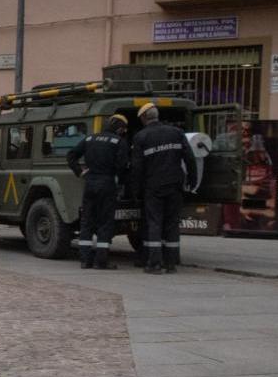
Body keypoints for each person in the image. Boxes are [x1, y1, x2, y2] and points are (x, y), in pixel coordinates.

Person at [131, 102, 196, 275]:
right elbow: (190, 158)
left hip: (153, 187)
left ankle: (154, 264)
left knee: (154, 222)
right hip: (175, 185)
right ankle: (171, 263)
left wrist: (135, 191)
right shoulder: (176, 132)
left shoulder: (141, 137)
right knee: (172, 223)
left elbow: (137, 169)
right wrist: (193, 179)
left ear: (144, 118)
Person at [67, 114, 129, 269]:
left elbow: (71, 155)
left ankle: (84, 260)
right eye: (123, 129)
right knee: (105, 222)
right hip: (107, 185)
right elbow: (122, 166)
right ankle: (101, 261)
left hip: (90, 183)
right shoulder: (119, 142)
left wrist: (80, 172)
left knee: (87, 221)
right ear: (119, 128)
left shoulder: (90, 139)